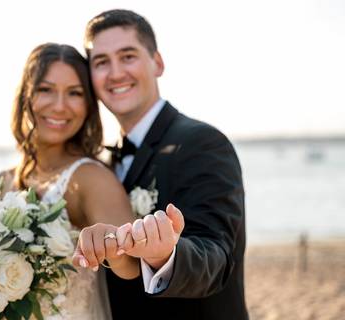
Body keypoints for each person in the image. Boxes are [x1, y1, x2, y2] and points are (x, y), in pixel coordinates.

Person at [72, 9, 248, 320]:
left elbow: (217, 256)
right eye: (101, 62)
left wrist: (166, 254)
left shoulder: (202, 142)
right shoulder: (101, 164)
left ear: (158, 63)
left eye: (128, 56)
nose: (115, 73)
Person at [0, 43, 139, 319]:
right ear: (26, 95)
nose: (59, 106)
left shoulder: (91, 179)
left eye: (74, 93)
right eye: (45, 90)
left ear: (88, 105)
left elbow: (133, 264)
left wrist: (114, 248)